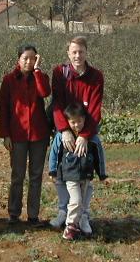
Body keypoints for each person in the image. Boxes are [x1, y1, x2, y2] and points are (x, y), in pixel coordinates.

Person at [50, 36, 106, 236]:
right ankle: (63, 212)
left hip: (86, 130)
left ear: (86, 52)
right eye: (74, 52)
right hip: (64, 130)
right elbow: (56, 104)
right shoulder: (59, 73)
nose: (77, 56)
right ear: (68, 53)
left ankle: (83, 215)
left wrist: (84, 135)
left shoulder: (96, 76)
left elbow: (95, 109)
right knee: (61, 175)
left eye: (81, 52)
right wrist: (64, 130)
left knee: (85, 177)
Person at [0, 44, 51, 225]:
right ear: (18, 60)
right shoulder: (9, 80)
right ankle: (14, 214)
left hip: (39, 135)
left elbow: (45, 92)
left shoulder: (41, 77)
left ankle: (33, 215)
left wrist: (37, 71)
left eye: (32, 58)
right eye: (25, 58)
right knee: (17, 175)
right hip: (17, 135)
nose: (28, 62)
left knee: (36, 176)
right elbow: (3, 108)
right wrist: (5, 134)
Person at [48, 103, 105, 240]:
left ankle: (82, 220)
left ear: (85, 119)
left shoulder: (92, 138)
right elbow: (54, 153)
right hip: (70, 174)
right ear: (67, 121)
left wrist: (101, 173)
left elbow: (99, 155)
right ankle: (70, 225)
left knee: (83, 199)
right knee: (76, 199)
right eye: (73, 122)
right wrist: (52, 171)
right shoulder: (62, 137)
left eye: (79, 121)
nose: (77, 125)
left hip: (85, 174)